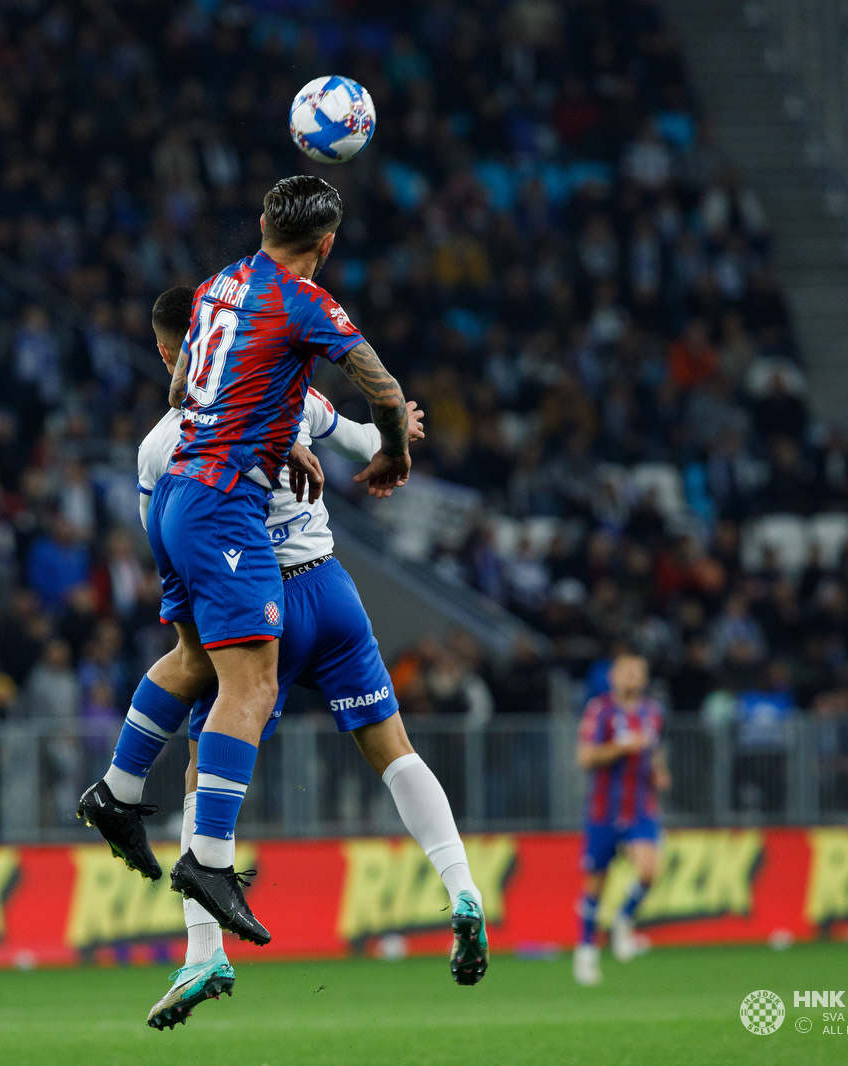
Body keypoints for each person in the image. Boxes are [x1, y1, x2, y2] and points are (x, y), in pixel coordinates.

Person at [86, 285, 483, 1030]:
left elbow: (167, 538)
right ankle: (462, 887)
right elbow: (358, 432)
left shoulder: (160, 444)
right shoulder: (287, 392)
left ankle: (204, 949)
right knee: (391, 748)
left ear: (172, 355)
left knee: (210, 753)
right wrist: (387, 434)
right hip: (331, 591)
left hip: (254, 607)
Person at [78, 175, 412, 954]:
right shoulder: (307, 301)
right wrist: (392, 452)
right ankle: (211, 862)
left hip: (176, 494)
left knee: (194, 658)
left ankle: (119, 791)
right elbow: (387, 393)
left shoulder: (217, 284)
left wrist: (269, 425)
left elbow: (181, 387)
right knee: (251, 683)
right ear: (326, 245)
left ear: (263, 222)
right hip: (224, 506)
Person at [573, 654, 669, 987]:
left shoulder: (652, 713)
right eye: (626, 672)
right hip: (604, 811)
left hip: (641, 808)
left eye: (637, 673)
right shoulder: (600, 711)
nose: (631, 678)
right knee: (595, 885)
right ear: (613, 676)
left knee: (648, 870)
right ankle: (585, 953)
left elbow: (654, 750)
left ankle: (622, 919)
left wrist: (659, 771)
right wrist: (620, 747)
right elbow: (585, 757)